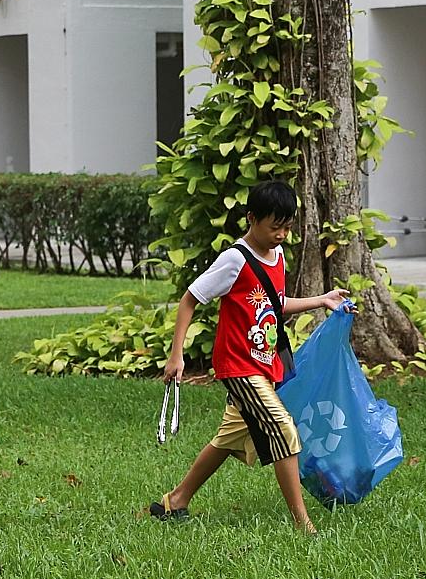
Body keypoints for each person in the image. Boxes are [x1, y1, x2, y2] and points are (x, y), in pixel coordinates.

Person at [150, 180, 349, 533]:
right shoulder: (233, 260)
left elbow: (276, 304)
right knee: (283, 430)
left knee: (228, 439)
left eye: (287, 227)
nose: (282, 235)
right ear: (251, 218)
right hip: (238, 367)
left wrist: (321, 300)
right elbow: (189, 300)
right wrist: (176, 355)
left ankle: (175, 501)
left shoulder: (278, 255)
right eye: (275, 227)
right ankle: (304, 525)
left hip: (264, 365)